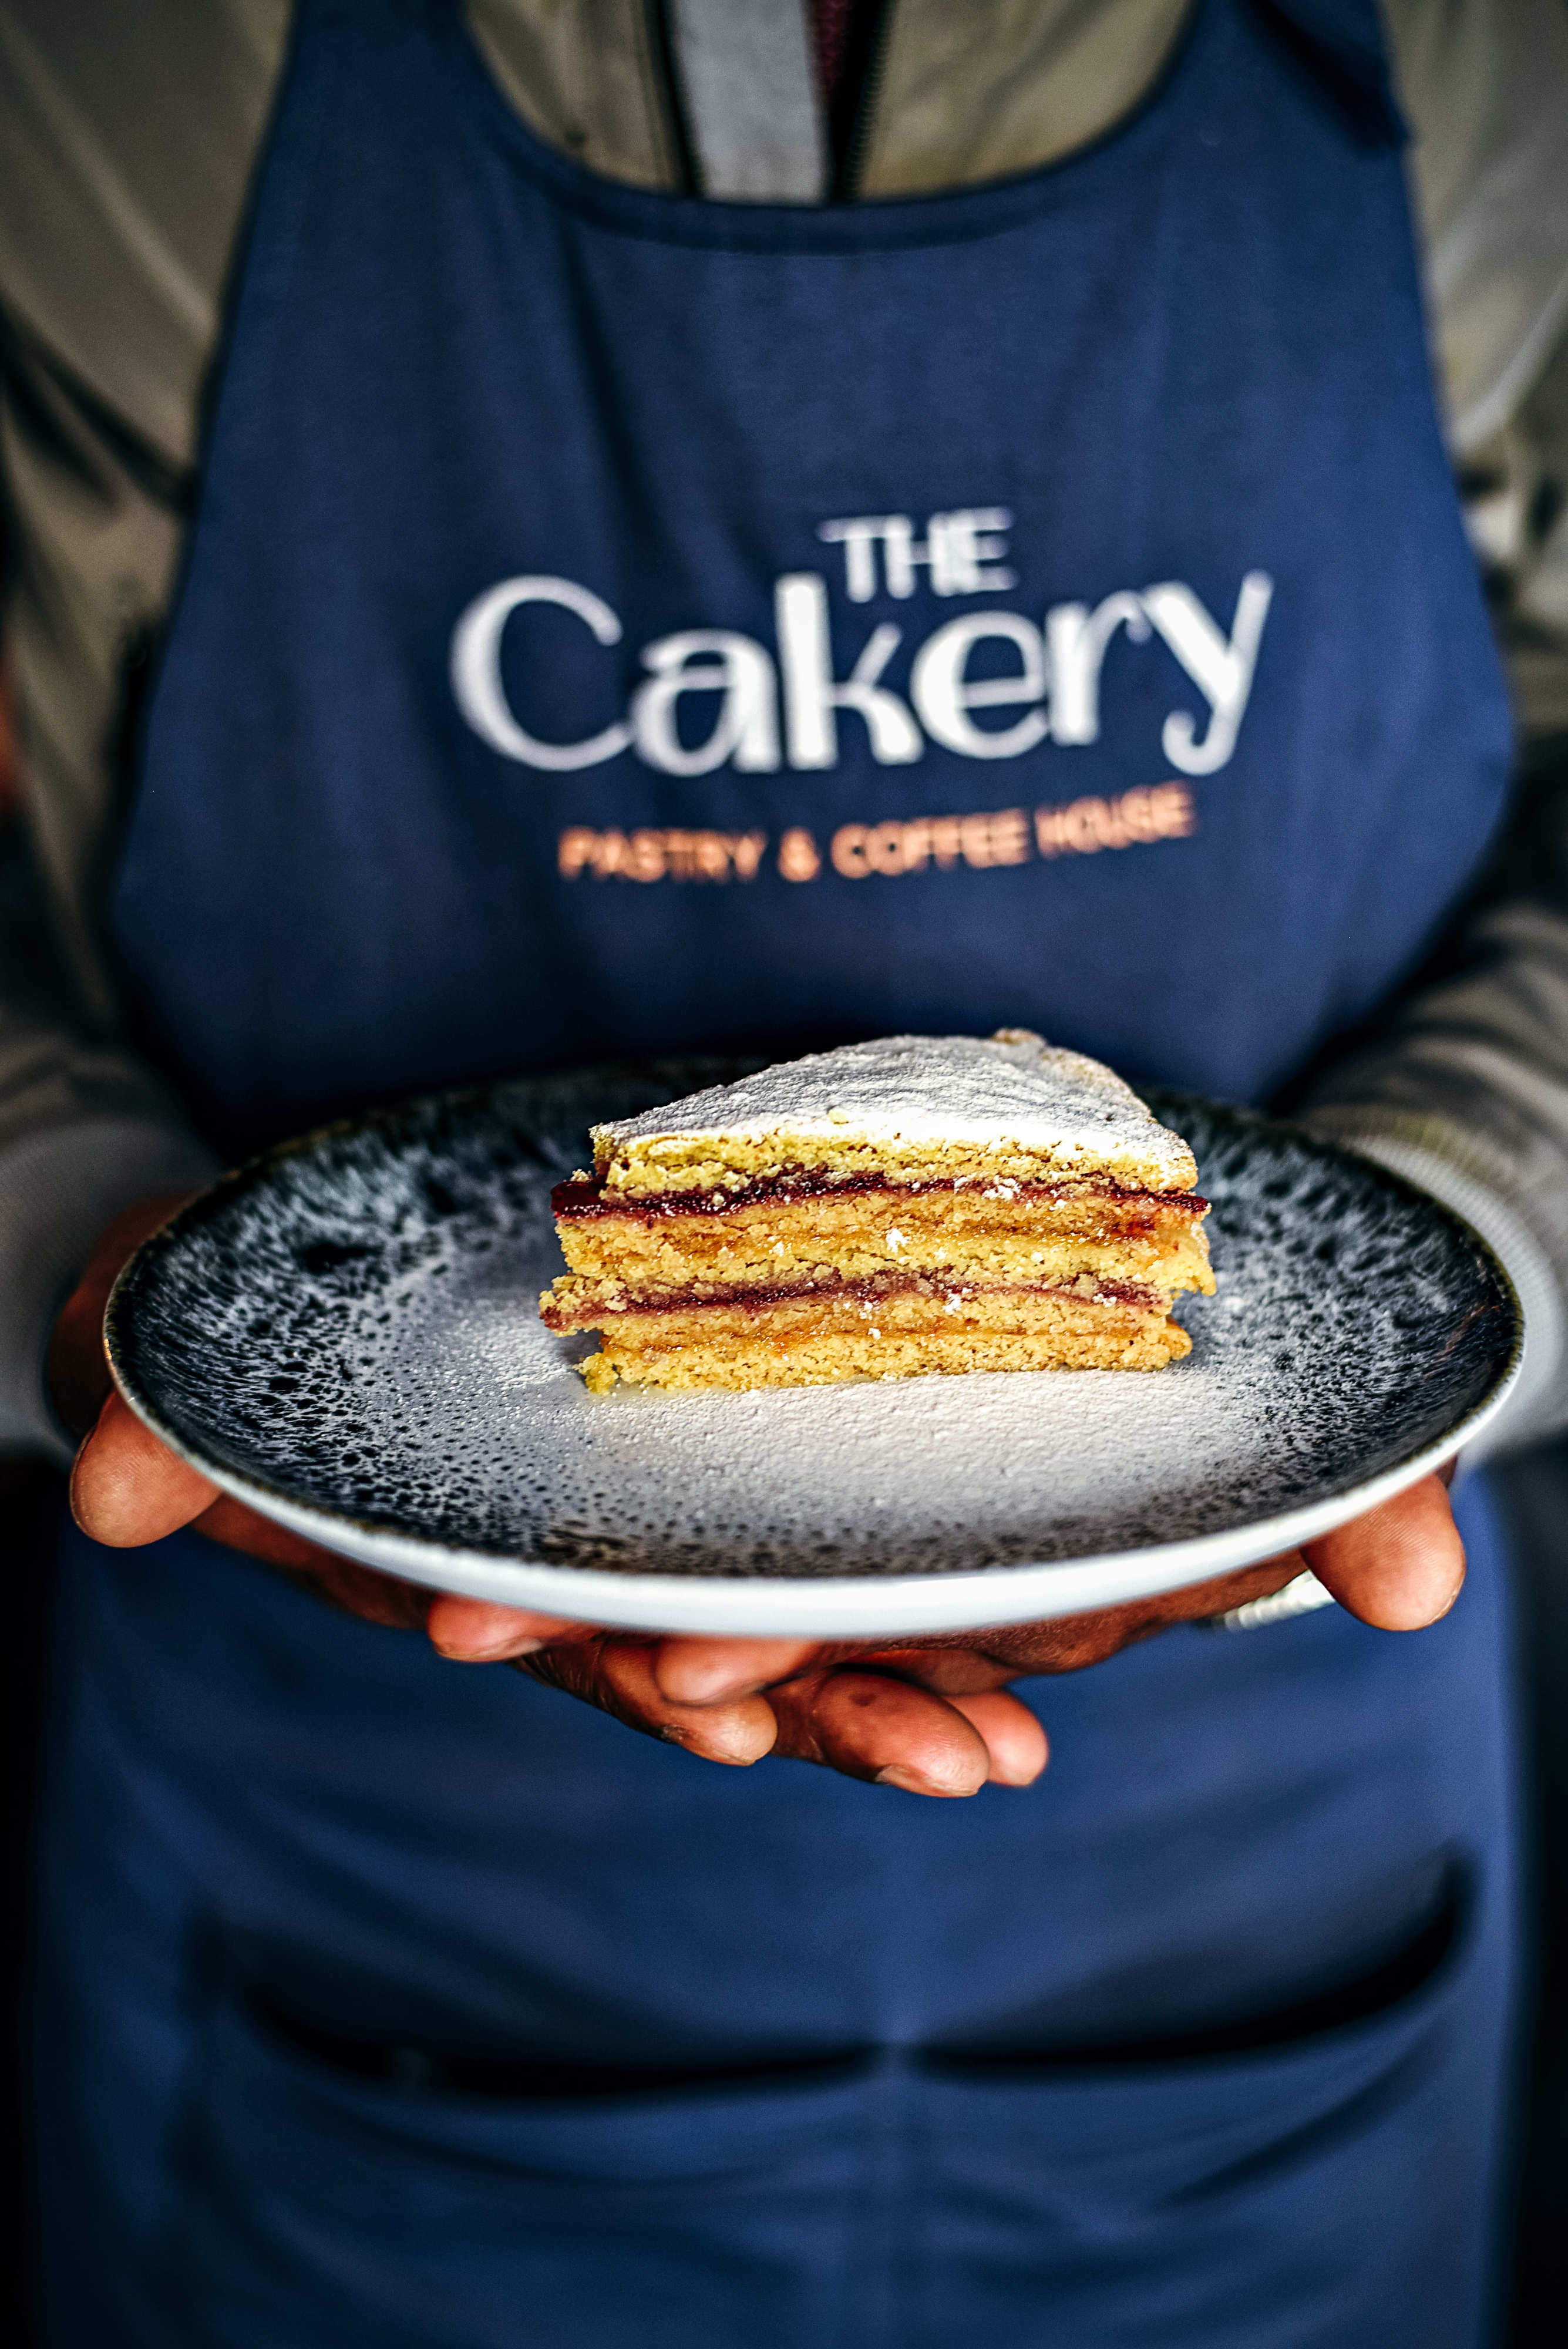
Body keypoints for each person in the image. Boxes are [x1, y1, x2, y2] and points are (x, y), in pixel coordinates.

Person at [4, 2, 1568, 2341]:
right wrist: (97, 1250)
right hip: (342, 1894)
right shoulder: (118, 65)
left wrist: (1452, 1235)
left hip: (1276, 1877)